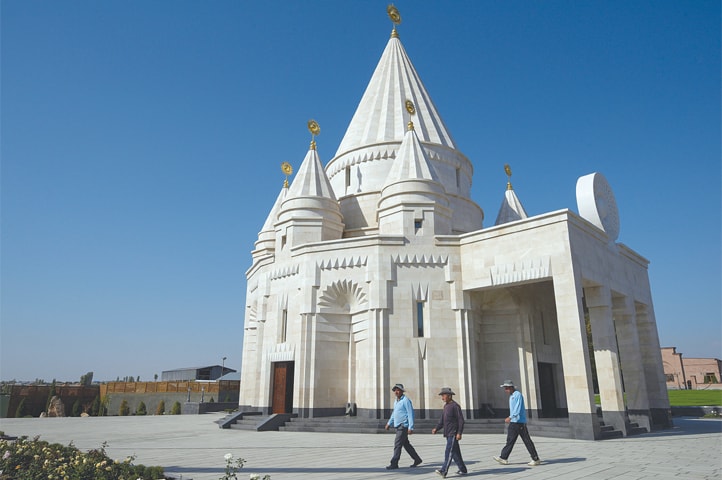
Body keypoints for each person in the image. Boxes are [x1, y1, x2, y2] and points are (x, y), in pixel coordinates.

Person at [493, 380, 542, 466]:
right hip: (514, 422)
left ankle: (535, 458)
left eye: (506, 388)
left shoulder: (517, 395)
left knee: (527, 440)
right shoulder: (512, 396)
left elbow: (518, 408)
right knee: (510, 440)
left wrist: (511, 417)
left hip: (519, 422)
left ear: (511, 387)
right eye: (505, 388)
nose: (505, 390)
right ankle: (503, 457)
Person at [384, 383, 423, 469]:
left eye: (398, 390)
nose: (396, 392)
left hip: (403, 426)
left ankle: (394, 463)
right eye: (395, 390)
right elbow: (394, 413)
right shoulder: (396, 401)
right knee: (406, 444)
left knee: (397, 444)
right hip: (397, 425)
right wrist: (389, 423)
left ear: (402, 391)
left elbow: (410, 414)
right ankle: (417, 459)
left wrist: (411, 427)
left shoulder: (406, 400)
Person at [432, 387, 467, 478]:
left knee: (449, 451)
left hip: (453, 433)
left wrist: (459, 432)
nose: (442, 397)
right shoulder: (446, 406)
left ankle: (444, 470)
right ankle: (463, 469)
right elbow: (442, 420)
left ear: (449, 396)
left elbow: (461, 420)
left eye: (443, 395)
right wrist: (436, 428)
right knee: (455, 452)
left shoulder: (455, 406)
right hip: (447, 433)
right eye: (442, 395)